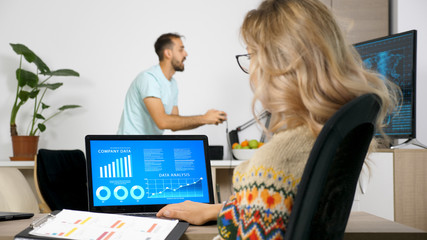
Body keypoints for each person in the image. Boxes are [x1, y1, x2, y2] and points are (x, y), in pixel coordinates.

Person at [156, 0, 399, 238]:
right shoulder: (333, 133)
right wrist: (215, 210)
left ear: (278, 65)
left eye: (251, 56)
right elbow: (285, 207)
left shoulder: (275, 161)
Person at [117, 33, 227, 135]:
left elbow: (174, 124)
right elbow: (163, 122)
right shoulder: (149, 79)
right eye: (181, 50)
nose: (186, 54)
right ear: (168, 53)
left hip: (149, 147)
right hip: (129, 146)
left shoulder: (172, 84)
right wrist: (204, 118)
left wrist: (207, 119)